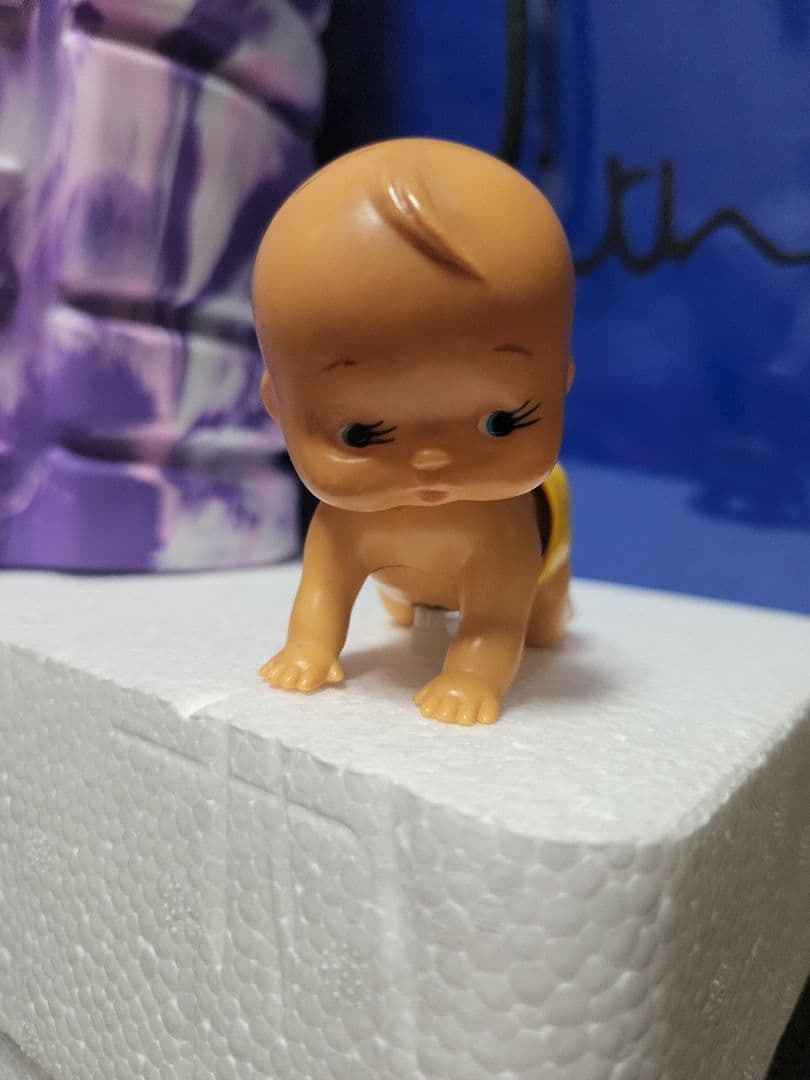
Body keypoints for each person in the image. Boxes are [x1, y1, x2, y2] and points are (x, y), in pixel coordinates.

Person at [252, 137, 575, 724]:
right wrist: (310, 645)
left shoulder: (501, 529)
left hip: (529, 556)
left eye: (500, 423)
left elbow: (495, 620)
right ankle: (404, 603)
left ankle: (552, 600)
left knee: (543, 627)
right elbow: (323, 590)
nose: (431, 460)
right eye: (359, 434)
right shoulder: (344, 521)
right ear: (279, 405)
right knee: (397, 609)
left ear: (560, 382)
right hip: (400, 579)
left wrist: (472, 675)